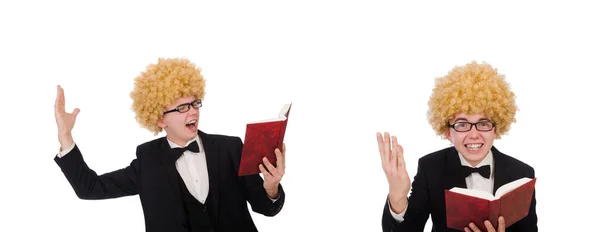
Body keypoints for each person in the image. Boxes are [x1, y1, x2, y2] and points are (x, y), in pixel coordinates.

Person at [53, 58, 286, 232]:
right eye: (182, 107)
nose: (193, 110)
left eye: (194, 103)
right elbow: (90, 188)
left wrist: (272, 187)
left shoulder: (230, 149)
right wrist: (65, 135)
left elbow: (267, 208)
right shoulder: (148, 160)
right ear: (159, 119)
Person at [377, 61, 537, 232]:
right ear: (448, 133)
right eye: (462, 124)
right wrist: (397, 196)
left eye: (483, 123)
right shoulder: (430, 168)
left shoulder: (522, 173)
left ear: (496, 130)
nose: (474, 134)